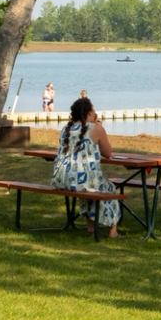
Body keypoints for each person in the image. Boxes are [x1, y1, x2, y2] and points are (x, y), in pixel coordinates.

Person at [51, 97, 120, 238]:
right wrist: (99, 128)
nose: (95, 113)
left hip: (62, 180)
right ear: (89, 113)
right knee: (109, 188)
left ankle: (91, 226)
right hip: (81, 181)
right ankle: (113, 230)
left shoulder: (66, 129)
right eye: (93, 111)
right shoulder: (96, 128)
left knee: (88, 187)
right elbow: (108, 153)